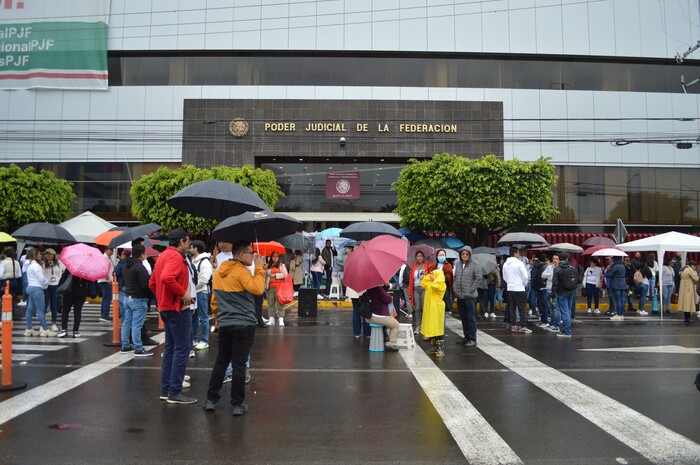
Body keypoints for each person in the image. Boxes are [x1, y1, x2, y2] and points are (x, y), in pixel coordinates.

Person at [203, 240, 265, 416]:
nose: (253, 256)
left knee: (221, 361)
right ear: (240, 255)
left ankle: (210, 399)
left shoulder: (218, 273)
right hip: (244, 324)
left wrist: (217, 318)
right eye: (250, 253)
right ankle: (237, 404)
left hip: (225, 323)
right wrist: (260, 269)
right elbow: (258, 289)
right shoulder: (242, 272)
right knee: (239, 364)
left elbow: (214, 300)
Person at [149, 228, 196, 405]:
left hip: (166, 307)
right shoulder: (176, 257)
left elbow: (153, 283)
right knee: (182, 348)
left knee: (170, 348)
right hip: (177, 309)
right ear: (181, 242)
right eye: (188, 241)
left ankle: (166, 389)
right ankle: (174, 391)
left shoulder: (162, 256)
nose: (189, 244)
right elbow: (167, 278)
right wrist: (182, 295)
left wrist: (163, 297)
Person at [120, 244, 153, 357]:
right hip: (139, 298)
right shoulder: (139, 267)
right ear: (142, 254)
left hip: (128, 296)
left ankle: (125, 345)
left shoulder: (126, 265)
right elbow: (145, 285)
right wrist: (149, 295)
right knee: (137, 324)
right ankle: (138, 348)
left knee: (127, 322)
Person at [453, 246, 483, 345]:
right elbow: (456, 278)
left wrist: (471, 290)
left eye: (466, 254)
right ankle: (466, 337)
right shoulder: (457, 265)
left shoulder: (475, 265)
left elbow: (479, 278)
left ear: (470, 255)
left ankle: (473, 339)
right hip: (460, 296)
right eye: (463, 254)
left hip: (470, 297)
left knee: (471, 318)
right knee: (463, 318)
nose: (464, 256)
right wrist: (455, 289)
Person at [24, 249, 55, 337]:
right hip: (37, 288)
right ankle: (45, 329)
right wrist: (46, 282)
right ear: (35, 255)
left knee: (30, 309)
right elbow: (41, 279)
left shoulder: (30, 265)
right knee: (41, 310)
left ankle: (29, 328)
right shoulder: (36, 266)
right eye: (39, 254)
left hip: (30, 287)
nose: (41, 255)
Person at [502, 247, 531, 334]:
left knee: (512, 307)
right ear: (516, 253)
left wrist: (510, 283)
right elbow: (525, 276)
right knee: (521, 308)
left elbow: (504, 277)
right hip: (519, 288)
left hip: (510, 288)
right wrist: (523, 284)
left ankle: (513, 326)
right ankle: (523, 326)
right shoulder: (519, 263)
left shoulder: (505, 264)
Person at [190, 240, 212, 350]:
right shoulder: (193, 261)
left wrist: (193, 289)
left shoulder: (205, 263)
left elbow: (204, 280)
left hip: (202, 293)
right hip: (194, 294)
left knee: (203, 317)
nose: (189, 249)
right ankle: (194, 338)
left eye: (191, 247)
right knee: (194, 317)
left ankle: (204, 340)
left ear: (196, 249)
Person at [56, 268, 90, 338]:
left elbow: (62, 280)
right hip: (81, 293)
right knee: (77, 312)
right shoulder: (85, 270)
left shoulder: (70, 268)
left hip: (69, 292)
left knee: (65, 312)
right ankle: (76, 331)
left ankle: (64, 330)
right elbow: (89, 281)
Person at [365, 284, 400, 352]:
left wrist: (385, 287)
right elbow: (389, 299)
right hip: (379, 316)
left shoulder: (370, 288)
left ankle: (384, 338)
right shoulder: (378, 290)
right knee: (395, 325)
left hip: (369, 317)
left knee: (387, 323)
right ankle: (391, 343)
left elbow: (381, 294)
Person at [421, 268, 447, 356]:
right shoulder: (430, 283)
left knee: (438, 328)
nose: (430, 275)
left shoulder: (441, 285)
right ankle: (434, 347)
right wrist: (428, 276)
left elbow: (434, 286)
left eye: (432, 274)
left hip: (437, 309)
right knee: (431, 327)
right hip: (430, 309)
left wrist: (437, 278)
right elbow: (423, 282)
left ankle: (440, 349)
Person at [550, 252, 576, 337]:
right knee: (568, 310)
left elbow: (555, 283)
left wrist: (553, 294)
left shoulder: (557, 269)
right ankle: (567, 329)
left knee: (564, 312)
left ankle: (567, 331)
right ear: (567, 259)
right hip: (571, 291)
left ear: (559, 259)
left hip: (561, 292)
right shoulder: (571, 268)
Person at [407, 251, 431, 335]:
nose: (419, 258)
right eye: (418, 256)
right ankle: (418, 326)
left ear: (423, 257)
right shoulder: (413, 267)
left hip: (424, 289)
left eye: (421, 256)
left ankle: (425, 327)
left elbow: (431, 277)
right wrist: (409, 292)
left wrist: (426, 274)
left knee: (424, 308)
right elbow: (411, 280)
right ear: (415, 258)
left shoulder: (427, 266)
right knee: (417, 308)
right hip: (415, 289)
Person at [42, 248, 63, 332]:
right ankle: (43, 324)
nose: (48, 255)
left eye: (50, 254)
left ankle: (53, 323)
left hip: (56, 286)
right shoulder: (43, 264)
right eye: (46, 254)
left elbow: (63, 271)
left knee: (54, 305)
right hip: (47, 286)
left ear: (54, 255)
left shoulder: (59, 263)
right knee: (45, 304)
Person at [265, 251, 288, 326]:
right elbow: (265, 275)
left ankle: (281, 319)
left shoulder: (282, 265)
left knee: (280, 304)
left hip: (279, 288)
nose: (275, 258)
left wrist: (275, 275)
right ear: (271, 257)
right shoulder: (268, 266)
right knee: (270, 303)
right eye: (273, 256)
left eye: (276, 256)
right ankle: (271, 319)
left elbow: (285, 275)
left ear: (279, 258)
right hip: (270, 287)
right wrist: (265, 269)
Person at [605, 256, 628, 321]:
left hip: (616, 284)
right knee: (622, 300)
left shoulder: (615, 266)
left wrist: (608, 269)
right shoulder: (623, 266)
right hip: (623, 284)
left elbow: (609, 274)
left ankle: (618, 314)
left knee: (617, 300)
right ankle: (621, 314)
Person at [97, 247, 114, 323]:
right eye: (111, 250)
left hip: (105, 280)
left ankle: (104, 314)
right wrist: (107, 278)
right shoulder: (104, 258)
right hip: (105, 280)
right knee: (107, 298)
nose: (112, 252)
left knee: (106, 298)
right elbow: (102, 269)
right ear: (107, 250)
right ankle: (104, 315)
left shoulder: (108, 258)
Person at [434, 249, 453, 315]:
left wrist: (440, 278)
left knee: (444, 307)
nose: (442, 256)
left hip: (444, 288)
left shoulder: (448, 265)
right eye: (440, 255)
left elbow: (449, 277)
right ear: (437, 256)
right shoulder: (434, 265)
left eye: (443, 255)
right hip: (435, 288)